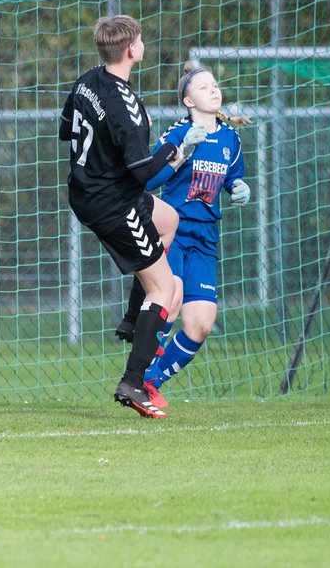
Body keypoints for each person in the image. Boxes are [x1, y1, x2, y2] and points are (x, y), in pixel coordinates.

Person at [59, 14, 206, 417]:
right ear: (131, 50)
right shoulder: (126, 105)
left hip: (91, 188)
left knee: (168, 220)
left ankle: (131, 321)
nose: (143, 44)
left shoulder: (86, 80)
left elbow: (66, 130)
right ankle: (133, 382)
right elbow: (144, 172)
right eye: (140, 39)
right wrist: (175, 151)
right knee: (163, 288)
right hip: (111, 203)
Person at [139, 62, 250, 404]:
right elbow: (148, 181)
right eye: (204, 87)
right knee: (168, 300)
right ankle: (138, 372)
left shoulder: (231, 138)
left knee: (200, 325)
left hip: (205, 238)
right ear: (188, 101)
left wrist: (238, 186)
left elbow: (232, 176)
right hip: (174, 232)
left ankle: (150, 380)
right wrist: (181, 151)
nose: (213, 91)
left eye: (215, 85)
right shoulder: (177, 134)